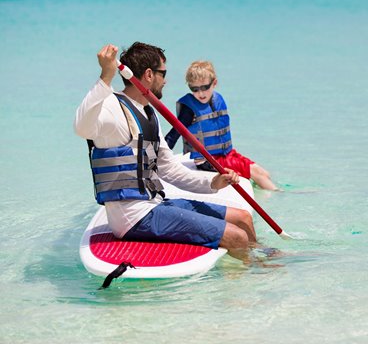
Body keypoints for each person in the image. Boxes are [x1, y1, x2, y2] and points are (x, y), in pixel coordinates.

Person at [74, 42, 257, 261]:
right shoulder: (113, 108)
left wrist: (213, 183)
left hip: (155, 205)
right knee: (237, 237)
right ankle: (250, 281)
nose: (166, 80)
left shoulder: (148, 113)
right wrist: (106, 76)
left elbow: (170, 170)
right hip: (134, 218)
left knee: (243, 219)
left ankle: (262, 258)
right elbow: (81, 126)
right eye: (164, 73)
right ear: (149, 75)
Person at [165, 60, 279, 191]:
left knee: (264, 173)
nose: (200, 93)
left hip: (226, 154)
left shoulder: (217, 99)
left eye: (205, 87)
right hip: (207, 161)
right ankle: (281, 195)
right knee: (257, 174)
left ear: (214, 83)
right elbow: (173, 135)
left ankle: (272, 194)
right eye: (194, 89)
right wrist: (159, 159)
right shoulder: (189, 109)